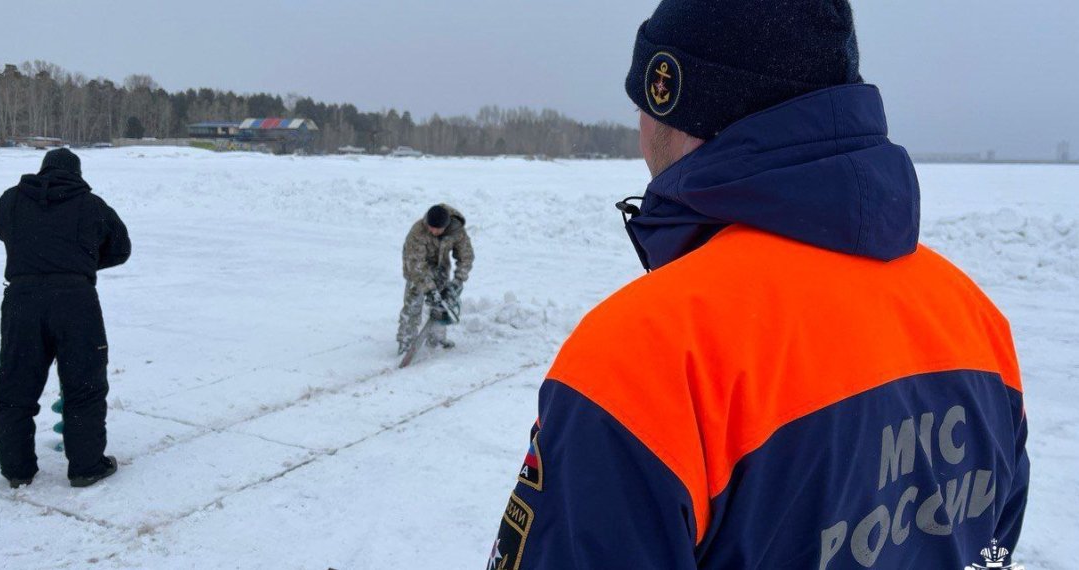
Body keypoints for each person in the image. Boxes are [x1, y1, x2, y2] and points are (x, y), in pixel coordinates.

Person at [488, 1, 1028, 568]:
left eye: (641, 101)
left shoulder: (644, 357)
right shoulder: (975, 320)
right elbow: (991, 550)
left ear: (673, 102)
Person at [0, 148, 130, 489]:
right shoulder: (91, 205)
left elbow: (0, 227)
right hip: (75, 302)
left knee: (15, 386)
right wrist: (77, 263)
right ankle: (86, 467)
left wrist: (37, 258)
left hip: (22, 301)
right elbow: (121, 247)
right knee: (84, 385)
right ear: (76, 173)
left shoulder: (11, 200)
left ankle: (17, 470)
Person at [398, 204, 473, 355]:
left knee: (441, 306)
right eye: (430, 227)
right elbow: (415, 263)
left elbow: (466, 256)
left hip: (440, 269)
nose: (432, 231)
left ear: (445, 226)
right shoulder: (418, 231)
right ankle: (406, 342)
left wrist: (458, 281)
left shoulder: (457, 231)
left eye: (436, 229)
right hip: (417, 270)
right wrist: (429, 289)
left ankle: (437, 339)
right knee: (413, 304)